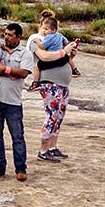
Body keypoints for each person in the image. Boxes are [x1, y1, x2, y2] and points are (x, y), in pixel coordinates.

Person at [0, 22, 33, 181]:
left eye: (10, 35)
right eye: (6, 34)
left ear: (19, 37)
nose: (7, 37)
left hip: (13, 102)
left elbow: (24, 72)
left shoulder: (25, 54)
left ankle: (20, 169)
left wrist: (5, 70)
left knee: (17, 136)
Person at [27, 10, 78, 162]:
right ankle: (43, 150)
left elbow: (63, 53)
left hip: (62, 83)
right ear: (41, 26)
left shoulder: (56, 39)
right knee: (52, 115)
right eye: (45, 28)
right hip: (50, 83)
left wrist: (70, 53)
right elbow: (44, 57)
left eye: (49, 28)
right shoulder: (35, 39)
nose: (46, 31)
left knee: (59, 116)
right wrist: (64, 52)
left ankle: (52, 147)